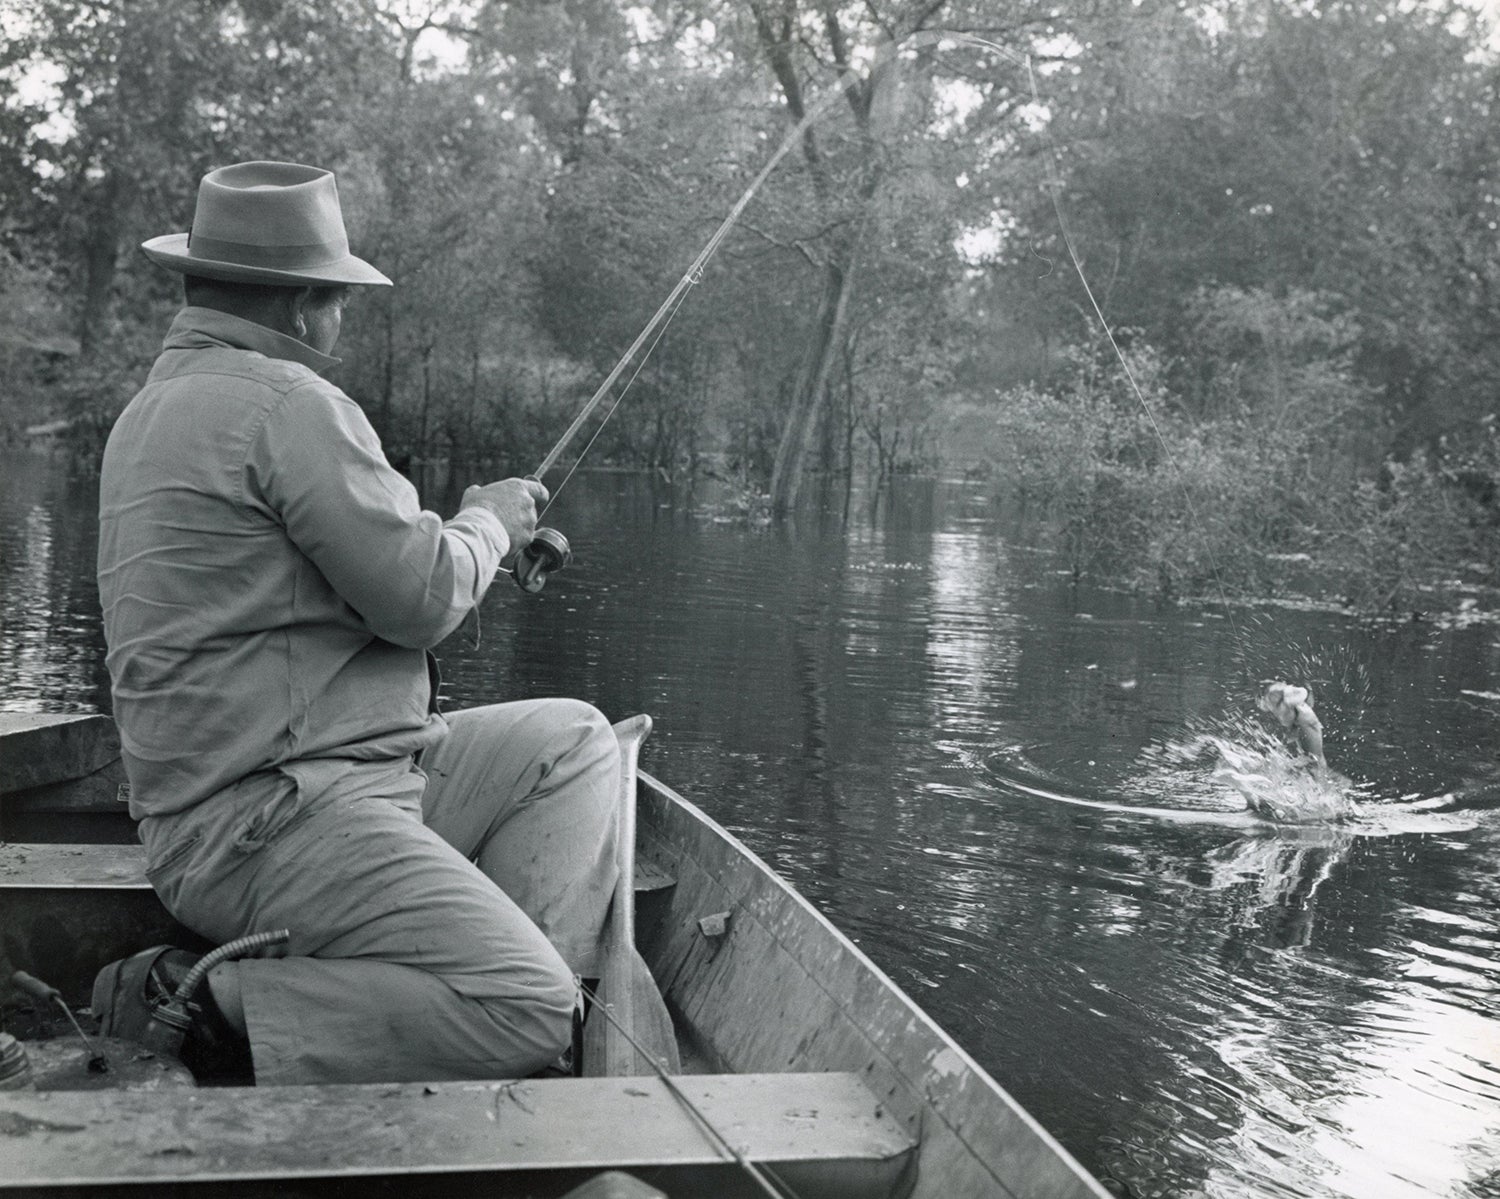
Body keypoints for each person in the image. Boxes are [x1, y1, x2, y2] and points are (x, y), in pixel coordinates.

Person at [91, 160, 620, 1085]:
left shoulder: (148, 413)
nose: (339, 318)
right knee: (527, 1002)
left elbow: (344, 582)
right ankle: (211, 1002)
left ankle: (463, 979)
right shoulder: (291, 404)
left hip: (290, 792)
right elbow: (421, 599)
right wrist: (490, 518)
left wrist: (481, 545)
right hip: (270, 819)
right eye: (337, 296)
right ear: (299, 306)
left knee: (571, 740)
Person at [1259, 682, 1329, 779]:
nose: (1277, 717)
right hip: (1315, 766)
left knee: (1314, 766)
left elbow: (1312, 759)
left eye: (1276, 709)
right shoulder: (1298, 716)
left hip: (1315, 767)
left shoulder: (1302, 713)